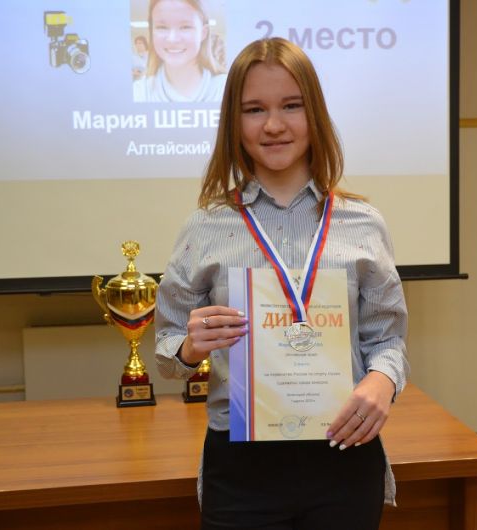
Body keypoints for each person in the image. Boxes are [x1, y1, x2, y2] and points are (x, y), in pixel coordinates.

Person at [154, 37, 409, 529]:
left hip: (345, 452)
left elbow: (388, 340)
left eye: (291, 105)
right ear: (234, 122)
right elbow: (166, 349)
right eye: (254, 109)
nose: (273, 124)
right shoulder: (205, 227)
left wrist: (382, 380)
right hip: (242, 467)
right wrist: (189, 347)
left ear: (315, 114)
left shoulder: (363, 223)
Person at [133, 0, 226, 102]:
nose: (172, 39)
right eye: (162, 27)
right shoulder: (140, 92)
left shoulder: (225, 87)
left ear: (203, 33)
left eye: (185, 27)